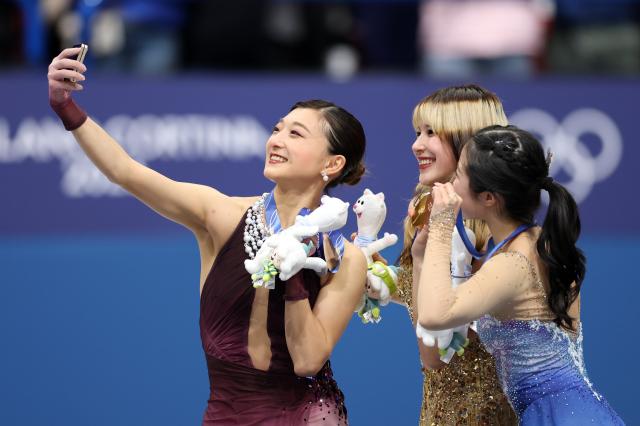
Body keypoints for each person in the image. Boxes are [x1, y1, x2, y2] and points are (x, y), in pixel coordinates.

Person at [47, 46, 367, 425]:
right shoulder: (221, 214)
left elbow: (308, 360)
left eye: (296, 134)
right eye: (277, 129)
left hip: (308, 417)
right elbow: (125, 171)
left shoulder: (345, 258)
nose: (277, 140)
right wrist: (65, 106)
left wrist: (294, 272)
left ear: (332, 164)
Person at [418, 125, 625, 424]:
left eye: (460, 173)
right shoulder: (538, 241)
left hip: (559, 417)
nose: (451, 180)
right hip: (572, 411)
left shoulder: (513, 263)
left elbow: (435, 315)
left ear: (489, 198)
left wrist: (441, 224)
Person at [392, 85, 518, 424]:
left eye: (431, 133)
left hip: (496, 412)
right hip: (438, 408)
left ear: (470, 143)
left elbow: (437, 347)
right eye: (418, 132)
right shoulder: (424, 212)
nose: (416, 145)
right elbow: (429, 346)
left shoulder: (507, 233)